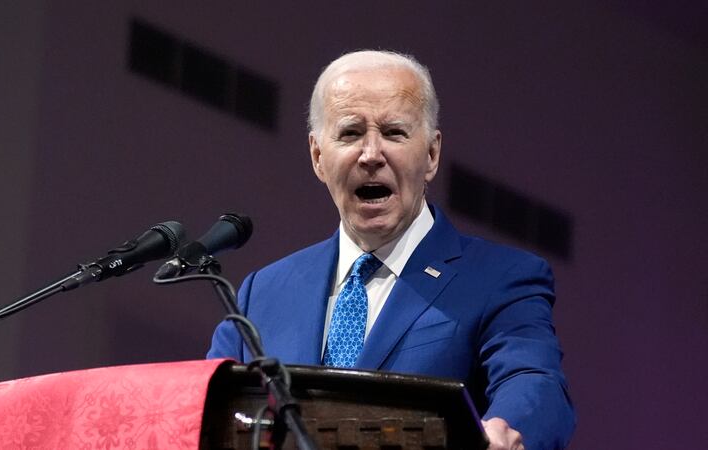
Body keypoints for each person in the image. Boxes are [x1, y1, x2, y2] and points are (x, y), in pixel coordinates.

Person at [208, 50, 575, 450]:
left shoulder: (500, 278)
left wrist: (508, 427)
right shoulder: (262, 294)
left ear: (432, 154)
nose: (370, 154)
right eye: (350, 133)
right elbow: (202, 408)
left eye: (394, 133)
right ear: (317, 156)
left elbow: (533, 379)